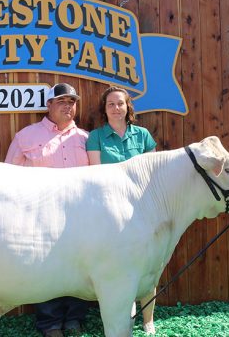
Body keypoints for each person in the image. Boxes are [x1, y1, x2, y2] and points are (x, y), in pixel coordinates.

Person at [5, 83, 89, 337]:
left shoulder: (87, 138)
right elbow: (8, 176)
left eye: (72, 101)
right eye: (61, 101)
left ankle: (75, 319)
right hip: (39, 216)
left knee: (81, 265)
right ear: (49, 105)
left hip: (81, 214)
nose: (68, 106)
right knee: (46, 268)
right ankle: (50, 323)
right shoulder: (26, 136)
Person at [85, 86, 157, 333]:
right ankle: (127, 313)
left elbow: (153, 173)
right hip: (112, 213)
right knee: (121, 266)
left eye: (120, 103)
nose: (116, 108)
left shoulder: (143, 135)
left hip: (144, 210)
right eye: (111, 105)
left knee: (148, 265)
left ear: (128, 107)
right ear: (104, 110)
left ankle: (148, 320)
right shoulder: (95, 137)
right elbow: (97, 175)